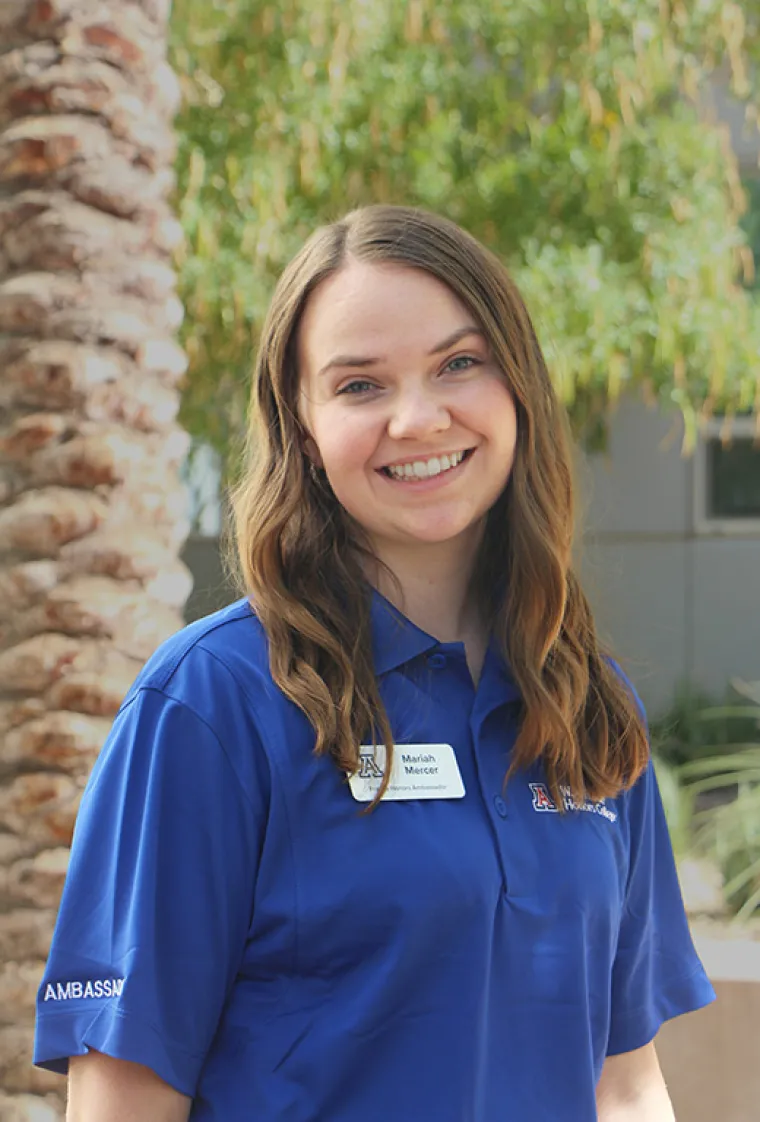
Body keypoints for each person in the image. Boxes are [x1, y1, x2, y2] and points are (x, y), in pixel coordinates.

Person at [34, 205, 714, 1122]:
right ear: (303, 429)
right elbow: (123, 1104)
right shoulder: (210, 706)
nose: (418, 418)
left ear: (517, 386)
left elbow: (623, 1084)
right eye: (359, 386)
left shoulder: (585, 702)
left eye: (459, 364)